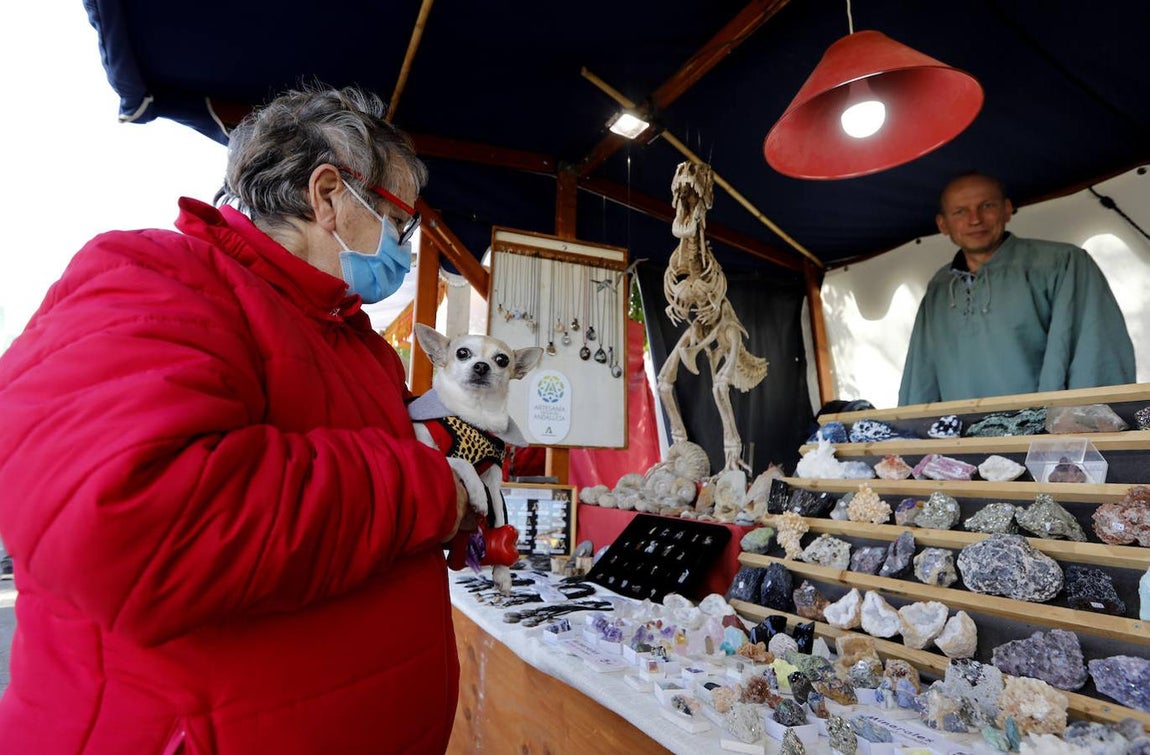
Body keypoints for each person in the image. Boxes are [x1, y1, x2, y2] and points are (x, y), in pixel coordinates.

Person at [0, 83, 472, 753]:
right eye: (401, 219)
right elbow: (130, 522)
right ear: (329, 194)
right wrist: (430, 489)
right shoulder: (154, 278)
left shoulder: (355, 343)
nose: (406, 243)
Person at [898, 171, 1135, 406]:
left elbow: (1095, 354)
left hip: (1037, 435)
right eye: (960, 212)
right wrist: (917, 433)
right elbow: (921, 374)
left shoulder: (1060, 264)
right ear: (943, 224)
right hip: (963, 438)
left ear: (1007, 209)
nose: (975, 220)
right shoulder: (940, 286)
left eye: (987, 206)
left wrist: (1066, 431)